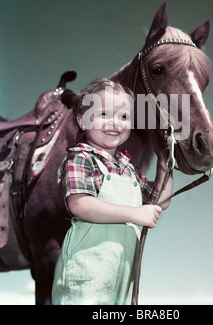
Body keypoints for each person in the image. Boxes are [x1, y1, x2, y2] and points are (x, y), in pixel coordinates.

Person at [52, 78, 173, 305]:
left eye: (124, 116)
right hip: (87, 273)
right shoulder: (81, 157)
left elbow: (161, 200)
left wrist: (164, 160)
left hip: (122, 275)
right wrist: (134, 214)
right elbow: (81, 204)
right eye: (104, 114)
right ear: (82, 120)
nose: (115, 123)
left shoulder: (127, 167)